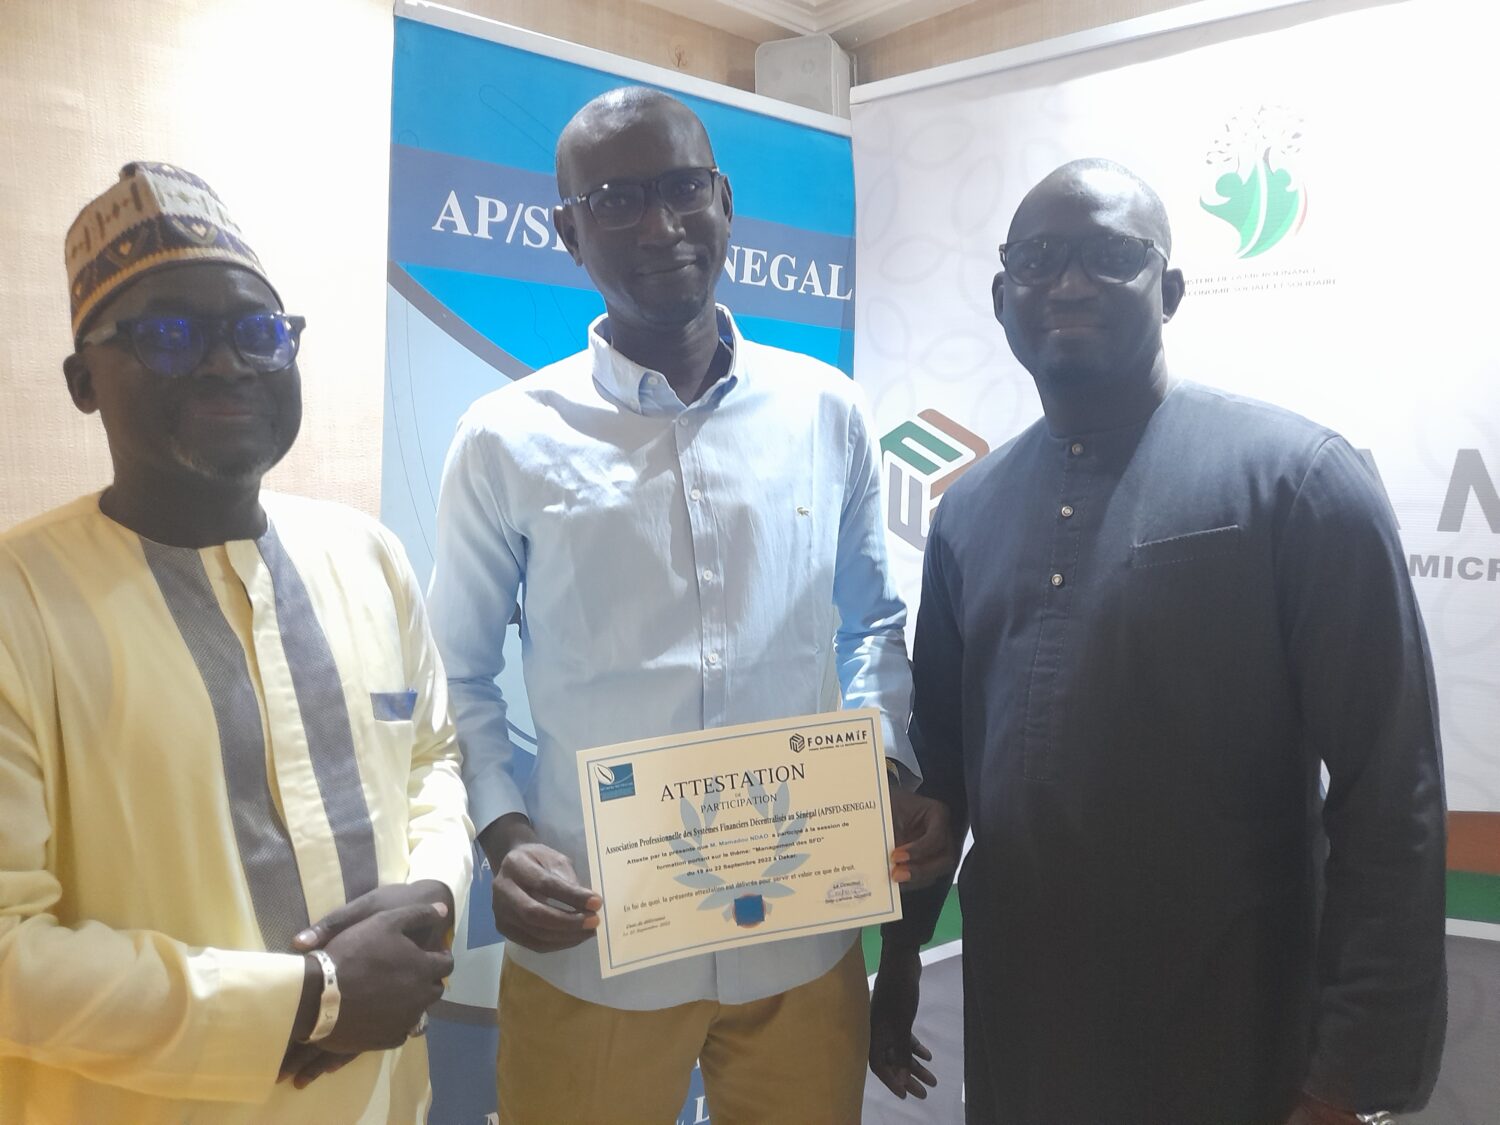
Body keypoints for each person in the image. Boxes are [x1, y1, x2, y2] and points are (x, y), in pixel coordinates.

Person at [868, 159, 1446, 1125]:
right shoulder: (969, 512)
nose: (1068, 282)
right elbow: (943, 772)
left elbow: (1393, 790)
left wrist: (1346, 1074)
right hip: (1025, 1035)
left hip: (1236, 1038)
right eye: (1038, 258)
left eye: (1110, 255)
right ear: (1002, 297)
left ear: (1169, 290)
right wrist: (898, 962)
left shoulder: (1298, 481)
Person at [428, 87, 954, 1124]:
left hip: (803, 940)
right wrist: (502, 833)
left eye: (683, 190)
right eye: (617, 201)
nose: (661, 226)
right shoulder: (504, 438)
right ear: (567, 231)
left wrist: (885, 769)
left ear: (725, 202)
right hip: (599, 941)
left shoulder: (826, 410)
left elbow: (871, 628)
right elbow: (458, 672)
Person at [0, 162, 474, 1123]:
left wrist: (433, 890)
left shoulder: (368, 556)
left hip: (386, 1099)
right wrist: (309, 998)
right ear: (84, 381)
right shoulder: (20, 602)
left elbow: (429, 759)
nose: (225, 364)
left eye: (257, 332)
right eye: (168, 335)